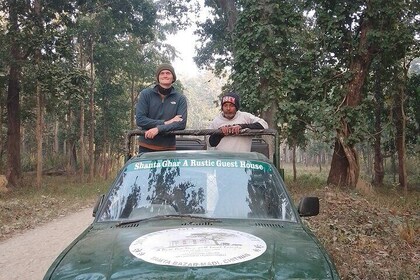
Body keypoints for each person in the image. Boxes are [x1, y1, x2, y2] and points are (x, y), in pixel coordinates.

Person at [136, 63, 187, 152]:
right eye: (162, 73)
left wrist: (159, 129)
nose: (165, 75)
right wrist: (167, 122)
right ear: (158, 77)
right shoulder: (146, 94)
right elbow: (140, 120)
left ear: (173, 77)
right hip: (146, 146)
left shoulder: (180, 98)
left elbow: (181, 124)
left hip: (168, 148)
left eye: (168, 73)